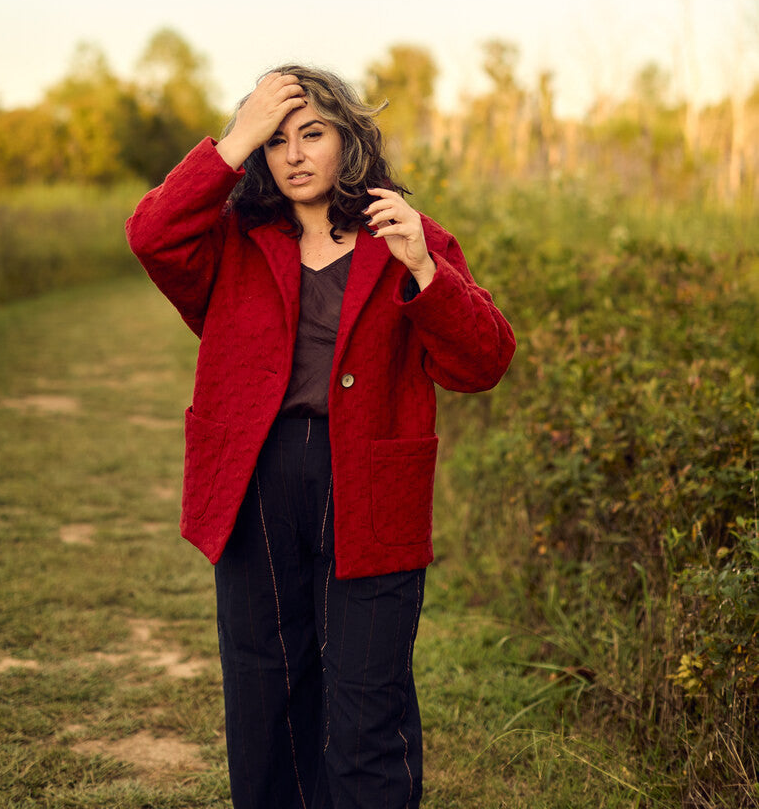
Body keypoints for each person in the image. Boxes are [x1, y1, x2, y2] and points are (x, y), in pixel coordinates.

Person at [126, 66, 515, 809]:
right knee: (265, 691)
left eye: (313, 134)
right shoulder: (230, 242)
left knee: (368, 699)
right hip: (254, 480)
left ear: (350, 140)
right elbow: (150, 232)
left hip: (368, 484)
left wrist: (426, 272)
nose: (295, 154)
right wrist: (233, 138)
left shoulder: (405, 233)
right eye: (275, 141)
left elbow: (482, 363)